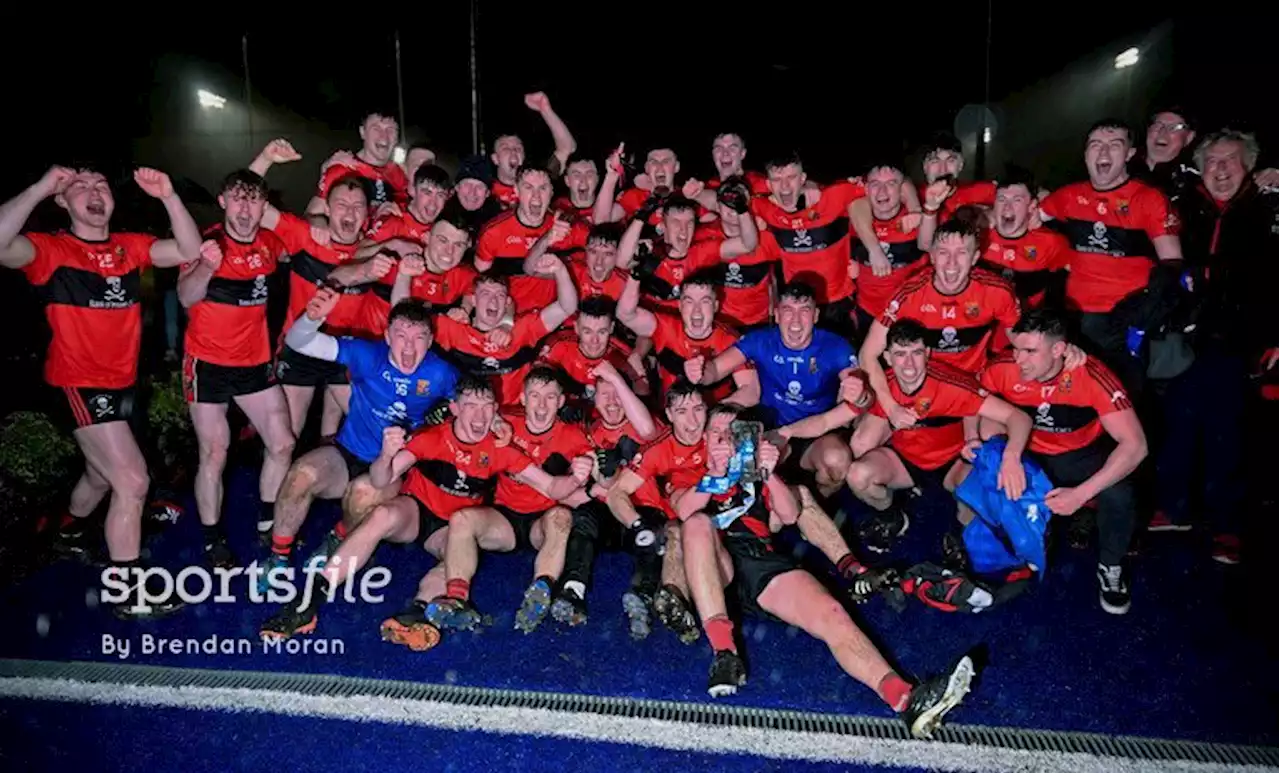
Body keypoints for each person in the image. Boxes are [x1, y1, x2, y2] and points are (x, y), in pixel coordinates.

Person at [674, 403, 977, 740]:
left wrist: (769, 473)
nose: (724, 441)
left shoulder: (752, 470)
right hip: (713, 568)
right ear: (704, 438)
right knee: (698, 525)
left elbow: (789, 514)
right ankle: (724, 653)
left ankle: (905, 699)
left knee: (832, 612)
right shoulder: (687, 468)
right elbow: (683, 510)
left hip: (759, 560)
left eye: (733, 434)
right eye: (716, 433)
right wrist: (713, 477)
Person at [0, 165, 202, 619]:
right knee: (131, 480)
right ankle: (126, 590)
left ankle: (68, 531)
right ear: (62, 200)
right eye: (79, 187)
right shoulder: (52, 250)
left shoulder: (128, 246)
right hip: (78, 382)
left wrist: (169, 195)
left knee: (100, 474)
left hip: (119, 384)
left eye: (101, 185)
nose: (94, 193)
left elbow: (189, 249)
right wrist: (37, 185)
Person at [258, 289, 459, 592]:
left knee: (364, 494)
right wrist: (311, 319)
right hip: (347, 451)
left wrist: (448, 415)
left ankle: (339, 537)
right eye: (401, 335)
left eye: (419, 338)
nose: (409, 345)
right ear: (387, 336)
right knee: (301, 474)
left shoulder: (442, 373)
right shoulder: (369, 354)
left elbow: (472, 408)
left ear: (430, 342)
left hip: (394, 467)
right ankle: (278, 556)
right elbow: (300, 342)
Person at [978, 309, 1147, 613]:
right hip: (1032, 453)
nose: (1019, 359)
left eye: (1030, 351)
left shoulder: (1091, 375)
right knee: (988, 473)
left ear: (1058, 349)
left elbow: (1135, 446)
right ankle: (1019, 550)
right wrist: (1003, 453)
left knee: (1120, 492)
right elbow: (978, 406)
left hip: (1081, 455)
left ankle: (1110, 565)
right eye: (1017, 348)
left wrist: (1081, 494)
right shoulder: (1002, 368)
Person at [178, 169, 295, 567]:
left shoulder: (270, 242)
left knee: (282, 443)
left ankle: (267, 520)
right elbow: (185, 296)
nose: (246, 209)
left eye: (255, 201)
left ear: (266, 207)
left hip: (254, 362)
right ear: (223, 201)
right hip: (207, 362)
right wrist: (206, 268)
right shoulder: (207, 242)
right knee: (215, 451)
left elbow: (310, 246)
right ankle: (212, 540)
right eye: (238, 199)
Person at [429, 366, 595, 635]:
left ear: (561, 402)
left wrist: (584, 474)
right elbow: (474, 418)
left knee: (562, 516)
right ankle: (457, 599)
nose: (542, 405)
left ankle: (541, 590)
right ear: (522, 398)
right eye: (535, 396)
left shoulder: (573, 436)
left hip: (543, 522)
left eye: (550, 397)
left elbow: (596, 477)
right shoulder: (506, 421)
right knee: (461, 519)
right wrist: (491, 422)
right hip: (503, 517)